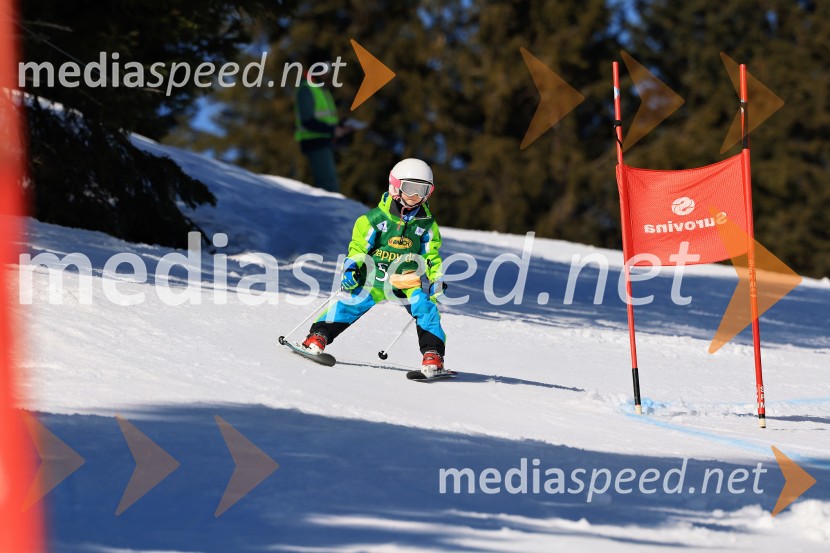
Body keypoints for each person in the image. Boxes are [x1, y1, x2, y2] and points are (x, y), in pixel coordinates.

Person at [301, 158, 448, 376]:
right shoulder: (374, 219)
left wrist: (436, 278)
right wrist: (351, 268)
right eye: (411, 189)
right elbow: (358, 248)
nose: (416, 196)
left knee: (425, 308)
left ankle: (433, 355)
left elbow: (430, 255)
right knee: (351, 305)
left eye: (423, 190)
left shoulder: (427, 225)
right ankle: (318, 336)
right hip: (374, 274)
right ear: (395, 186)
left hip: (406, 278)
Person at [294, 53, 349, 192]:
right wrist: (332, 130)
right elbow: (307, 121)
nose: (327, 71)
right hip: (315, 142)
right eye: (324, 67)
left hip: (327, 141)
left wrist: (340, 127)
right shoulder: (307, 89)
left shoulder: (322, 89)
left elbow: (327, 118)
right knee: (328, 186)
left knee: (330, 183)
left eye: (329, 67)